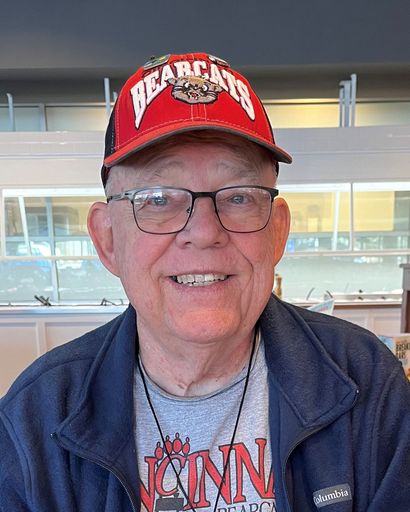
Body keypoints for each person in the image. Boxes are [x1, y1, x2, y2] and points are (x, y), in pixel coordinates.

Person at [0, 52, 409, 512]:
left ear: (277, 231)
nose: (205, 231)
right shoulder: (35, 420)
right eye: (158, 199)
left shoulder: (367, 382)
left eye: (239, 197)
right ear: (108, 239)